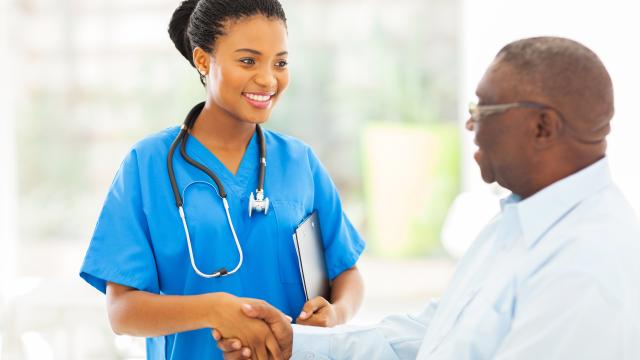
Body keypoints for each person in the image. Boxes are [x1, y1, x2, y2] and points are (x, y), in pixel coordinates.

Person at [216, 36, 640, 359]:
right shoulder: (516, 222)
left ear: (543, 127)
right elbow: (432, 333)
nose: (471, 127)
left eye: (482, 112)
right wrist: (296, 343)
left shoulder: (586, 266)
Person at [79, 0, 366, 359]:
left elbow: (348, 274)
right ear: (203, 60)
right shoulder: (147, 164)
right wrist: (213, 309)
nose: (267, 78)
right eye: (248, 61)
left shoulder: (299, 162)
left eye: (280, 62)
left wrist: (335, 315)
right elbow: (122, 311)